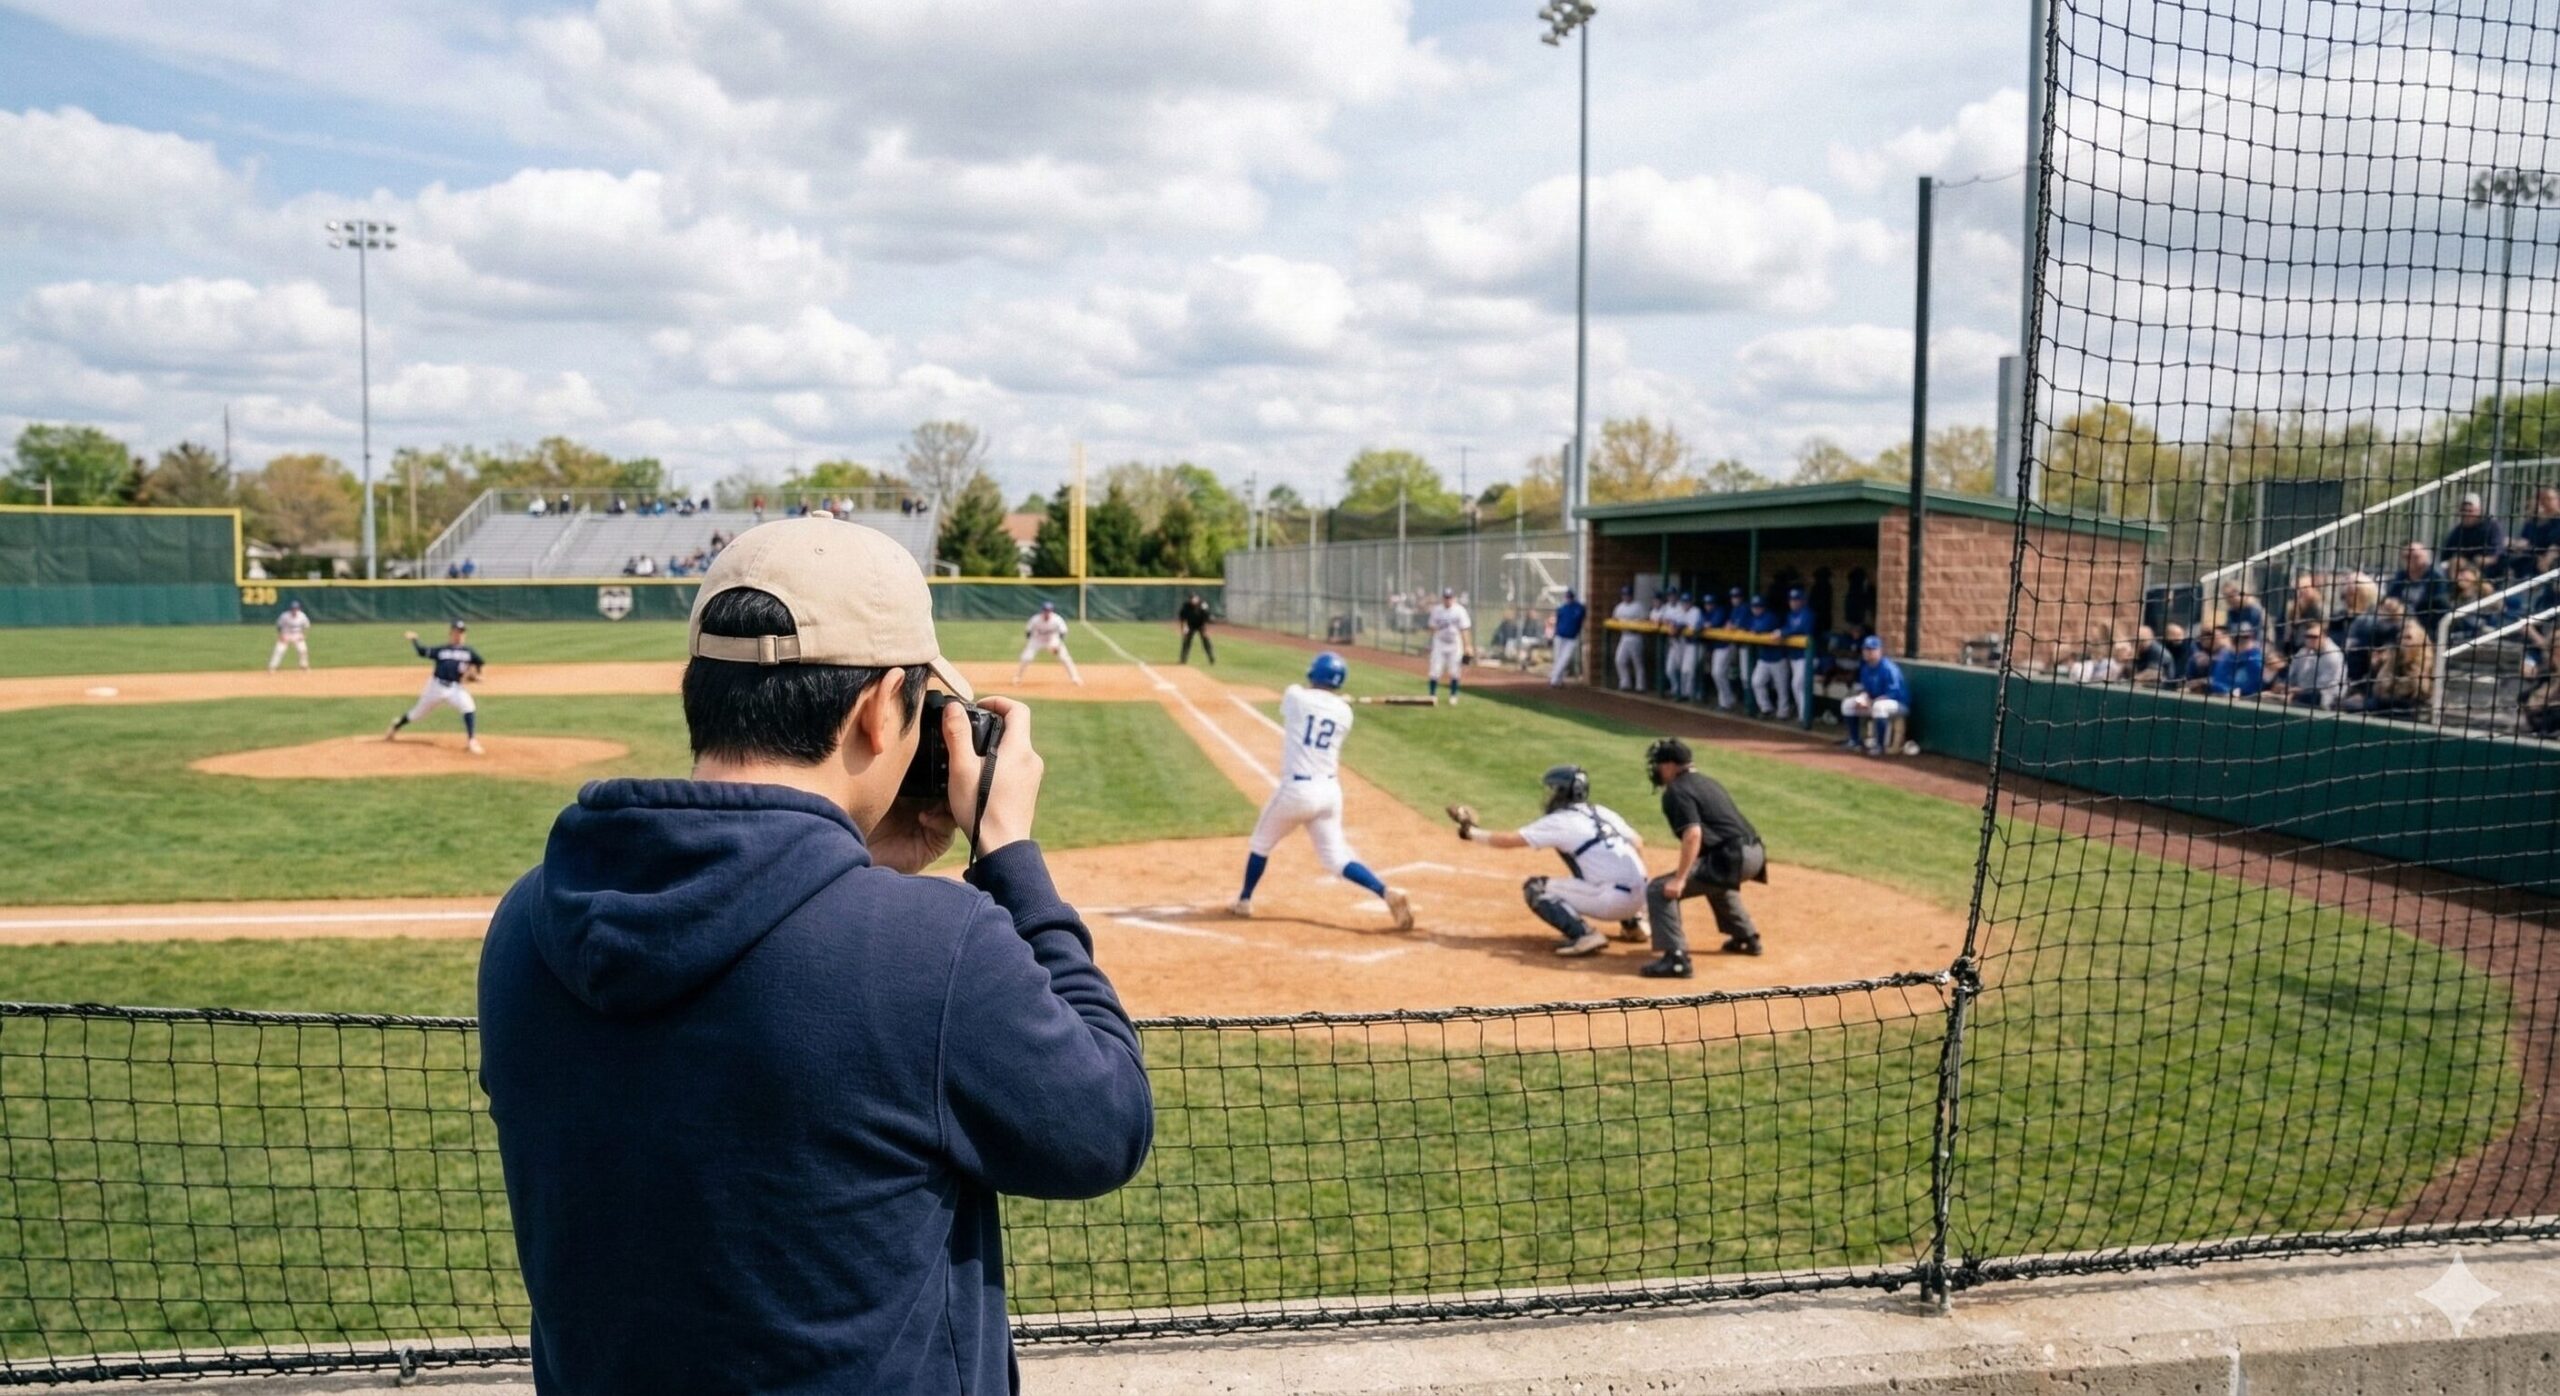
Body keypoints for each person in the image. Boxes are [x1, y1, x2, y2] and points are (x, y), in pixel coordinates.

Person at [478, 517, 1150, 1393]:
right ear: (879, 709)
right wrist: (1010, 858)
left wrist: (847, 863)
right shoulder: (932, 946)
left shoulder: (529, 920)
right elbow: (1102, 1129)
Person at [1229, 651, 1415, 931]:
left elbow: (1298, 694)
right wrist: (1336, 701)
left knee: (1260, 844)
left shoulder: (1296, 697)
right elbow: (1327, 708)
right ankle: (1384, 891)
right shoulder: (1345, 713)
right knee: (1337, 858)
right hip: (1329, 792)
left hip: (1296, 791)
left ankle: (1244, 901)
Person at [1445, 765, 1647, 956]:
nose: (1550, 795)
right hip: (1640, 898)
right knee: (1592, 857)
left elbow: (1509, 841)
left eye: (1554, 790)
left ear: (1563, 792)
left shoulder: (1561, 821)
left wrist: (1471, 832)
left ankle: (1584, 935)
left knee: (1536, 889)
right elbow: (1638, 843)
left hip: (1612, 901)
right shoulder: (1602, 811)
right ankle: (1634, 924)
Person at [1639, 737, 1767, 976]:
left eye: (1657, 764)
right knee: (1715, 880)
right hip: (1755, 854)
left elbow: (1693, 834)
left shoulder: (1676, 791)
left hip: (1733, 856)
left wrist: (1679, 879)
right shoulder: (1707, 781)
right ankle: (1746, 937)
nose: (1655, 769)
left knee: (1659, 890)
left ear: (1669, 765)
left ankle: (1676, 959)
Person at [383, 621, 485, 755]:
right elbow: (421, 652)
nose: (459, 635)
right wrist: (414, 639)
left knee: (469, 707)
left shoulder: (469, 652)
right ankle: (396, 726)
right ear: (451, 633)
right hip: (435, 687)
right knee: (417, 714)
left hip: (455, 688)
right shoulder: (442, 650)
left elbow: (479, 663)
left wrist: (476, 675)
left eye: (461, 632)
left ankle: (471, 741)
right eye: (456, 631)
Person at [2343, 620, 2433, 717]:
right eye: (2401, 638)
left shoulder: (2429, 668)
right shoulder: (2392, 662)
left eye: (2408, 638)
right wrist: (2375, 670)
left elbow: (2418, 701)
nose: (2403, 642)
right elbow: (2377, 692)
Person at [1839, 635, 1910, 755]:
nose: (1868, 652)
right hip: (1876, 702)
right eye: (1866, 649)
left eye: (1871, 649)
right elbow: (1866, 690)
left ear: (1879, 651)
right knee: (1848, 704)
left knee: (1879, 706)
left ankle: (1880, 746)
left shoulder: (1888, 668)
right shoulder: (1866, 668)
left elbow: (1892, 693)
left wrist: (1871, 702)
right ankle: (1854, 741)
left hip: (1899, 704)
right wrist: (1863, 699)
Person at [2272, 618, 2346, 709]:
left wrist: (2294, 691)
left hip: (2327, 697)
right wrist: (2284, 685)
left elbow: (2322, 686)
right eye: (2307, 636)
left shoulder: (2332, 656)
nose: (2310, 640)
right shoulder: (2303, 652)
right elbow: (2292, 674)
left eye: (2314, 637)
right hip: (2302, 692)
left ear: (2324, 637)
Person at [2384, 542, 2450, 633]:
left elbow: (2438, 604)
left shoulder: (2436, 576)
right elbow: (2392, 597)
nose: (2411, 560)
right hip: (2398, 619)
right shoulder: (2401, 576)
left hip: (2426, 622)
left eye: (2415, 557)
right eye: (2407, 557)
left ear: (2426, 558)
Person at [1423, 587, 1474, 703]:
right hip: (1440, 642)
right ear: (1443, 599)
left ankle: (1453, 695)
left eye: (1450, 597)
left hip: (1455, 643)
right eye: (1446, 598)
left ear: (1454, 598)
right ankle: (1432, 695)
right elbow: (1431, 626)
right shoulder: (1437, 610)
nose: (1448, 600)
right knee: (1435, 670)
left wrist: (1468, 646)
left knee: (1455, 670)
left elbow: (1465, 629)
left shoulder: (1459, 611)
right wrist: (1434, 633)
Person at [1015, 601, 1083, 685]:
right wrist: (1030, 644)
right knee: (1026, 657)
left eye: (1049, 610)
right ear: (1042, 611)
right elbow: (1028, 632)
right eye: (1045, 610)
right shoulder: (1035, 619)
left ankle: (1075, 678)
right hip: (1037, 640)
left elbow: (1063, 632)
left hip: (1052, 640)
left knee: (1064, 658)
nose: (1047, 612)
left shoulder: (1057, 619)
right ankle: (1018, 677)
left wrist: (1058, 645)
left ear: (1051, 611)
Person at [1744, 594, 1787, 718]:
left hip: (1778, 657)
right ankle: (1766, 708)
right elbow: (1745, 625)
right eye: (1754, 607)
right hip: (1764, 658)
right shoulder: (1753, 618)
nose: (1756, 609)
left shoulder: (1770, 616)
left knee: (1781, 687)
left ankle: (1783, 711)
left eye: (1759, 607)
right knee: (1756, 682)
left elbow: (1763, 627)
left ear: (1764, 607)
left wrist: (1754, 630)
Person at [2442, 493, 2506, 575]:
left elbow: (2496, 555)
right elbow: (2446, 555)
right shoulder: (2458, 531)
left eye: (2470, 511)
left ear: (2478, 511)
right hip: (2463, 571)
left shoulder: (2491, 527)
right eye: (2463, 511)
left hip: (2488, 572)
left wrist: (2478, 561)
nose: (2466, 514)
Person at [2206, 625, 2269, 699]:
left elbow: (2256, 683)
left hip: (2250, 698)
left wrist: (2241, 691)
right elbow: (2218, 681)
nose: (2240, 641)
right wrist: (2229, 691)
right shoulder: (2226, 655)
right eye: (2237, 639)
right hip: (2224, 697)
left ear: (2251, 639)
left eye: (2245, 638)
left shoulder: (2255, 656)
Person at [1711, 586, 1748, 709]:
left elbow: (1737, 626)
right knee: (1720, 673)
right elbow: (1729, 625)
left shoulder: (1744, 608)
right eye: (1733, 597)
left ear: (1741, 597)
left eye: (1737, 596)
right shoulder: (1733, 609)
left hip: (1742, 646)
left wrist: (1732, 626)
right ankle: (1727, 700)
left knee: (1745, 677)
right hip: (1734, 645)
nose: (1734, 599)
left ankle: (1739, 701)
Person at [1609, 585, 1649, 691]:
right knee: (1619, 660)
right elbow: (1614, 619)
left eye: (1628, 595)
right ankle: (1625, 683)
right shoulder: (1619, 607)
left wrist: (1634, 622)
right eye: (1624, 595)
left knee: (1637, 662)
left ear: (1632, 595)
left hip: (1636, 636)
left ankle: (1640, 686)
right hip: (1624, 636)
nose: (1626, 597)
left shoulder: (1638, 606)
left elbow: (1645, 619)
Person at [1548, 589, 1588, 686]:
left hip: (1571, 638)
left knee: (1565, 659)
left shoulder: (1579, 608)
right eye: (1567, 597)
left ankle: (1554, 678)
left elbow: (1582, 614)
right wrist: (1552, 636)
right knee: (1558, 658)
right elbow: (1557, 623)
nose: (1568, 599)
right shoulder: (1561, 608)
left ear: (1573, 598)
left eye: (1570, 597)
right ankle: (1559, 680)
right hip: (1560, 636)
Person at [267, 600, 312, 672]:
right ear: (290, 609)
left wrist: (303, 635)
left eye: (296, 608)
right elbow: (279, 626)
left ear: (299, 608)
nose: (294, 610)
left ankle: (304, 666)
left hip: (297, 635)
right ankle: (272, 667)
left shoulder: (302, 616)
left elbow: (306, 626)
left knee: (303, 650)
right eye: (293, 608)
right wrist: (281, 635)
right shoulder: (284, 616)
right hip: (286, 634)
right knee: (279, 650)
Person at [1177, 592, 1216, 665]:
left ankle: (1211, 658)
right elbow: (1182, 618)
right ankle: (1183, 659)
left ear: (1198, 598)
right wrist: (1184, 628)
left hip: (1201, 624)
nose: (1193, 600)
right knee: (1186, 641)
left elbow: (1207, 616)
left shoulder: (1203, 605)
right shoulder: (1186, 606)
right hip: (1190, 625)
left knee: (1206, 640)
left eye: (1194, 598)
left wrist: (1206, 630)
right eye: (1191, 599)